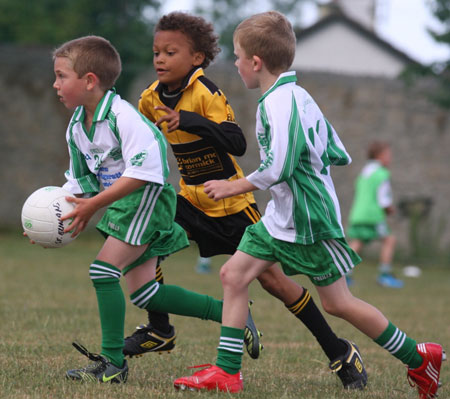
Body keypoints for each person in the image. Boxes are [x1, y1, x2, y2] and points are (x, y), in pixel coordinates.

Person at [173, 11, 445, 398]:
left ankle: (420, 359)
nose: (234, 63)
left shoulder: (279, 104)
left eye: (237, 56)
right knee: (233, 276)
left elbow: (279, 167)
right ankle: (227, 372)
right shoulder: (295, 95)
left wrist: (232, 187)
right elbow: (336, 147)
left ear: (256, 62)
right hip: (281, 217)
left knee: (337, 303)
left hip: (307, 220)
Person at [125, 11, 367, 390]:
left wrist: (188, 120)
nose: (159, 59)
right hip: (191, 197)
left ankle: (339, 351)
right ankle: (160, 329)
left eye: (170, 52)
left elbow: (236, 142)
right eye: (156, 51)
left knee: (276, 283)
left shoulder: (207, 92)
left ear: (197, 58)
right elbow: (143, 146)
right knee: (145, 239)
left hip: (232, 205)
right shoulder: (148, 100)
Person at [49, 35, 258, 384]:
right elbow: (81, 181)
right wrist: (51, 216)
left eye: (61, 76)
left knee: (103, 272)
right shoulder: (76, 127)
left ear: (89, 81)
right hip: (123, 202)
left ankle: (113, 364)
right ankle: (232, 314)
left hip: (147, 198)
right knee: (145, 292)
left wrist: (94, 205)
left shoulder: (122, 116)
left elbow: (145, 173)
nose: (55, 84)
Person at [346, 140, 403, 288]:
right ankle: (384, 275)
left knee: (358, 241)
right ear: (379, 155)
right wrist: (390, 209)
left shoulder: (364, 172)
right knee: (389, 240)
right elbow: (383, 199)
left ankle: (344, 273)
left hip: (358, 214)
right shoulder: (382, 173)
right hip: (373, 216)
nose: (390, 158)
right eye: (388, 154)